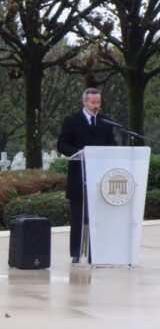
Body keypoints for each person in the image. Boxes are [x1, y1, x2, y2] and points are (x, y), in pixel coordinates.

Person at [57, 87, 117, 264]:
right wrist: (79, 153)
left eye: (98, 102)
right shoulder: (71, 120)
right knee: (78, 216)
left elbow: (112, 143)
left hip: (100, 177)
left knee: (98, 216)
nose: (96, 106)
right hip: (79, 175)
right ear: (84, 102)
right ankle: (76, 252)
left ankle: (96, 251)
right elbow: (62, 144)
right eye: (93, 102)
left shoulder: (106, 121)